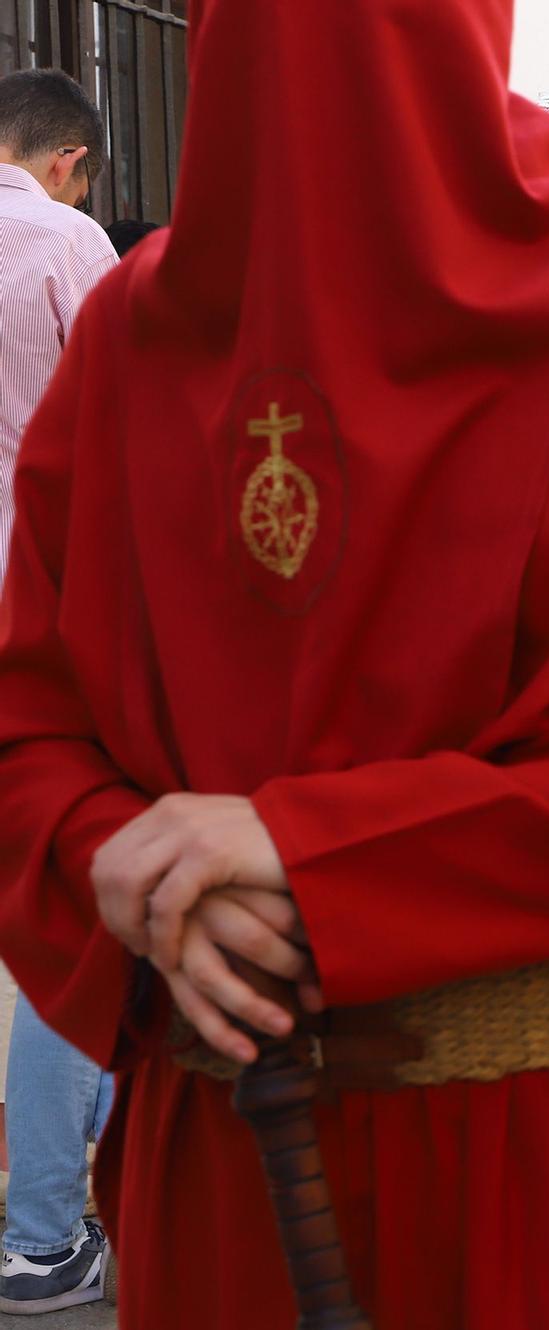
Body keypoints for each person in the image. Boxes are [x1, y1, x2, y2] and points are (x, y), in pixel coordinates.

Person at [0, 0, 549, 1324]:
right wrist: (113, 852)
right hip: (230, 1173)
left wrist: (310, 851)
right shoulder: (120, 346)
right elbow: (27, 733)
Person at [0, 69, 117, 1321]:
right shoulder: (65, 240)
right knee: (70, 916)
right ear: (73, 158)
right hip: (43, 608)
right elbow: (128, 419)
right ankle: (46, 1226)